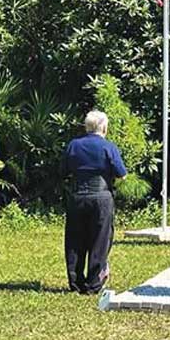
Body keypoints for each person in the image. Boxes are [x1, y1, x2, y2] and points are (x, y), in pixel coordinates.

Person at [61, 110, 127, 294]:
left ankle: (75, 281)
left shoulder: (73, 145)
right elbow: (121, 173)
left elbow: (63, 170)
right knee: (100, 240)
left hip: (77, 195)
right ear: (104, 127)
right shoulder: (108, 147)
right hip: (101, 196)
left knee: (75, 239)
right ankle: (94, 283)